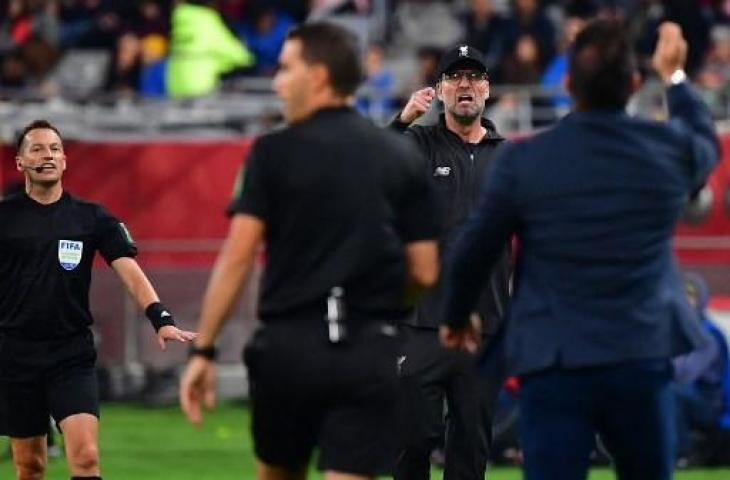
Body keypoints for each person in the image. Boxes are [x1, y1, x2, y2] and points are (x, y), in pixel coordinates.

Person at [440, 19, 719, 480]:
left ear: (568, 85)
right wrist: (673, 76)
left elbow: (475, 247)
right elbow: (705, 140)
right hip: (641, 354)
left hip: (554, 362)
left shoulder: (526, 160)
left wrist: (455, 317)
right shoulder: (667, 149)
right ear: (633, 83)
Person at [179, 22, 440, 480]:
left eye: (285, 68)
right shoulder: (399, 155)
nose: (277, 81)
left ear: (318, 76)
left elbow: (238, 257)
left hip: (289, 348)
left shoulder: (272, 152)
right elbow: (424, 269)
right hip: (369, 347)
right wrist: (377, 307)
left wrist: (203, 350)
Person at [0, 119, 198, 480]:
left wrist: (161, 317)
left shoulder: (91, 218)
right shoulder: (5, 217)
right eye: (37, 148)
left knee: (87, 457)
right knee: (30, 466)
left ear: (64, 161)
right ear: (20, 162)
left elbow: (130, 271)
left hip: (70, 355)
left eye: (55, 149)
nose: (48, 155)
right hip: (14, 356)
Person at [388, 44, 510, 480]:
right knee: (412, 439)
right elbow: (372, 168)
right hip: (422, 321)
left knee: (471, 450)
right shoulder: (417, 143)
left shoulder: (508, 157)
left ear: (487, 89)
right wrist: (401, 121)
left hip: (486, 325)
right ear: (439, 90)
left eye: (474, 77)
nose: (465, 85)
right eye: (455, 78)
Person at [673, 273, 730, 465]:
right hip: (690, 397)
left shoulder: (709, 335)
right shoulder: (674, 330)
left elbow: (686, 373)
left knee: (671, 391)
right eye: (682, 296)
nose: (687, 302)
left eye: (691, 296)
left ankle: (683, 454)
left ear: (701, 299)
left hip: (710, 403)